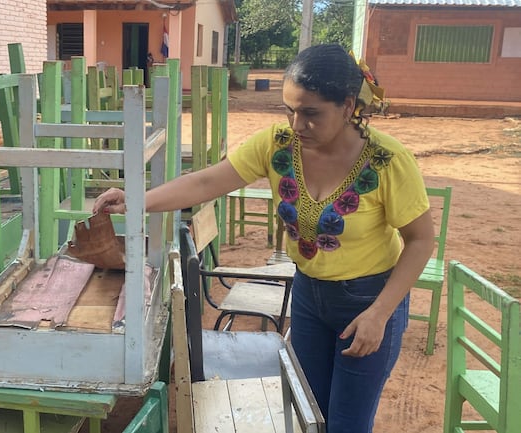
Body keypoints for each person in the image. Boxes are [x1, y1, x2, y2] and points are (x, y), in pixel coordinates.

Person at [92, 43, 434, 433]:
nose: (297, 124)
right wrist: (137, 200)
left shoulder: (386, 161)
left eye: (311, 114)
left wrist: (380, 313)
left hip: (368, 302)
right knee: (308, 410)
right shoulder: (279, 145)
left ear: (347, 106)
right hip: (308, 297)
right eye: (289, 110)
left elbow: (420, 241)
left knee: (347, 423)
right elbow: (207, 182)